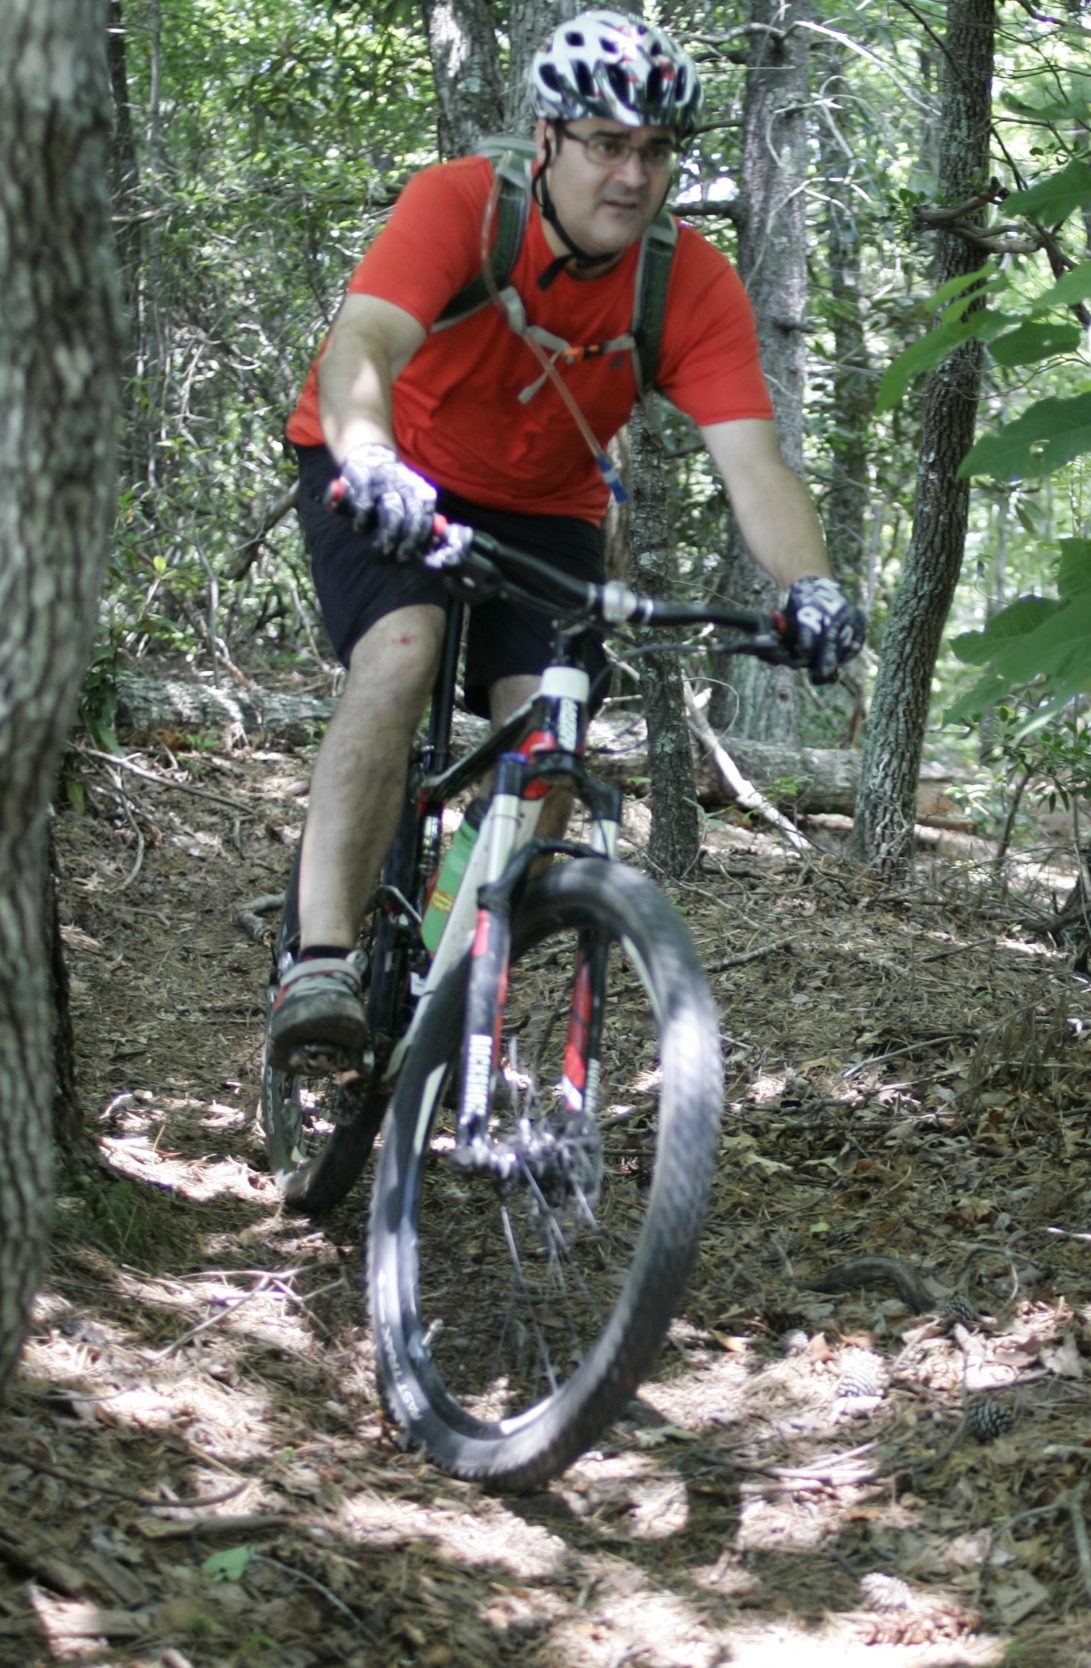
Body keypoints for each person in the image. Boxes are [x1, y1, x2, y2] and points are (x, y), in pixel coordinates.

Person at [270, 9, 864, 1072]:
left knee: (547, 739)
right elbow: (365, 339)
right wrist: (369, 461)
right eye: (606, 144)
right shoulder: (460, 205)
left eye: (655, 151)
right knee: (399, 653)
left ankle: (449, 973)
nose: (632, 176)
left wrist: (812, 586)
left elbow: (755, 465)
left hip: (544, 507)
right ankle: (316, 958)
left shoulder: (690, 284)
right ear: (547, 142)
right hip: (390, 462)